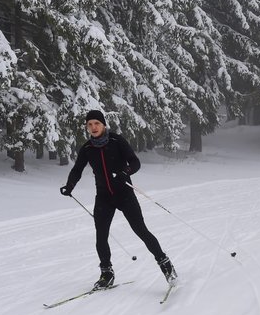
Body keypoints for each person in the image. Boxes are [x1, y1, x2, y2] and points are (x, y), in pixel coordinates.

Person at [60, 109, 176, 289]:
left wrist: (125, 172)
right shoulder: (87, 148)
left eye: (96, 123)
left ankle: (166, 266)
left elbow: (135, 162)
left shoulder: (116, 141)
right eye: (90, 124)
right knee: (101, 236)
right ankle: (107, 274)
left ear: (103, 124)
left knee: (141, 231)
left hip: (124, 194)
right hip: (104, 197)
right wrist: (70, 185)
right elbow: (77, 169)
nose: (93, 127)